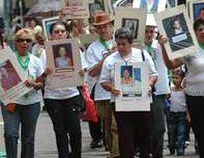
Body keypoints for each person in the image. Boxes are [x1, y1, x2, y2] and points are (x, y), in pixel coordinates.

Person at [160, 18, 204, 158]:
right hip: (195, 98)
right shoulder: (188, 48)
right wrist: (163, 46)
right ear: (195, 32)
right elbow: (171, 65)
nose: (203, 32)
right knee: (201, 134)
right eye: (200, 30)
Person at [100, 27, 157, 158]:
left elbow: (153, 74)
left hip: (142, 103)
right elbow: (103, 81)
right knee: (126, 138)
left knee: (145, 136)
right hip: (121, 104)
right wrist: (111, 87)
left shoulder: (142, 55)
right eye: (118, 44)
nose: (120, 47)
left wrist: (149, 84)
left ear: (130, 43)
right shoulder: (110, 60)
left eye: (124, 44)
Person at [37, 21, 87, 158]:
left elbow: (84, 70)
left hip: (72, 95)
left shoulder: (75, 49)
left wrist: (83, 72)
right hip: (53, 97)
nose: (59, 34)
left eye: (62, 31)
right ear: (51, 35)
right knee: (60, 131)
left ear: (66, 33)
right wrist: (45, 73)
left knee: (75, 131)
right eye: (56, 32)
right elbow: (40, 78)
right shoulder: (45, 53)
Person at [1, 28, 44, 158]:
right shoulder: (6, 59)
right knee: (10, 134)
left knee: (28, 139)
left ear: (31, 43)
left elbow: (41, 83)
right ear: (15, 42)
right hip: (11, 103)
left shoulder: (36, 61)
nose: (24, 43)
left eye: (28, 40)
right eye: (21, 40)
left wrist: (35, 84)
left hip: (32, 104)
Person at [85, 12, 119, 157]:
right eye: (100, 27)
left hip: (121, 91)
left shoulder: (120, 42)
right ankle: (113, 152)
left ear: (112, 27)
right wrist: (107, 57)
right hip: (103, 93)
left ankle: (118, 153)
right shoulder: (93, 48)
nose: (104, 30)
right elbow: (92, 72)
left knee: (117, 126)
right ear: (96, 30)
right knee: (108, 128)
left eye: (106, 26)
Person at [144, 21, 170, 158]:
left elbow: (170, 61)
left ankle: (157, 154)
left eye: (151, 32)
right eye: (146, 32)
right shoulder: (137, 46)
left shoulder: (160, 44)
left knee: (159, 127)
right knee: (145, 126)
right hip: (141, 90)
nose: (149, 35)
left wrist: (164, 44)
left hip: (159, 90)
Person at [167, 68, 187, 156]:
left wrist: (188, 114)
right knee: (171, 132)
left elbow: (187, 104)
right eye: (173, 78)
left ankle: (180, 149)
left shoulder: (185, 91)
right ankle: (171, 147)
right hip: (172, 113)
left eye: (177, 78)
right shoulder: (170, 90)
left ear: (182, 79)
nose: (174, 80)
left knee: (181, 132)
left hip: (181, 114)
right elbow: (167, 99)